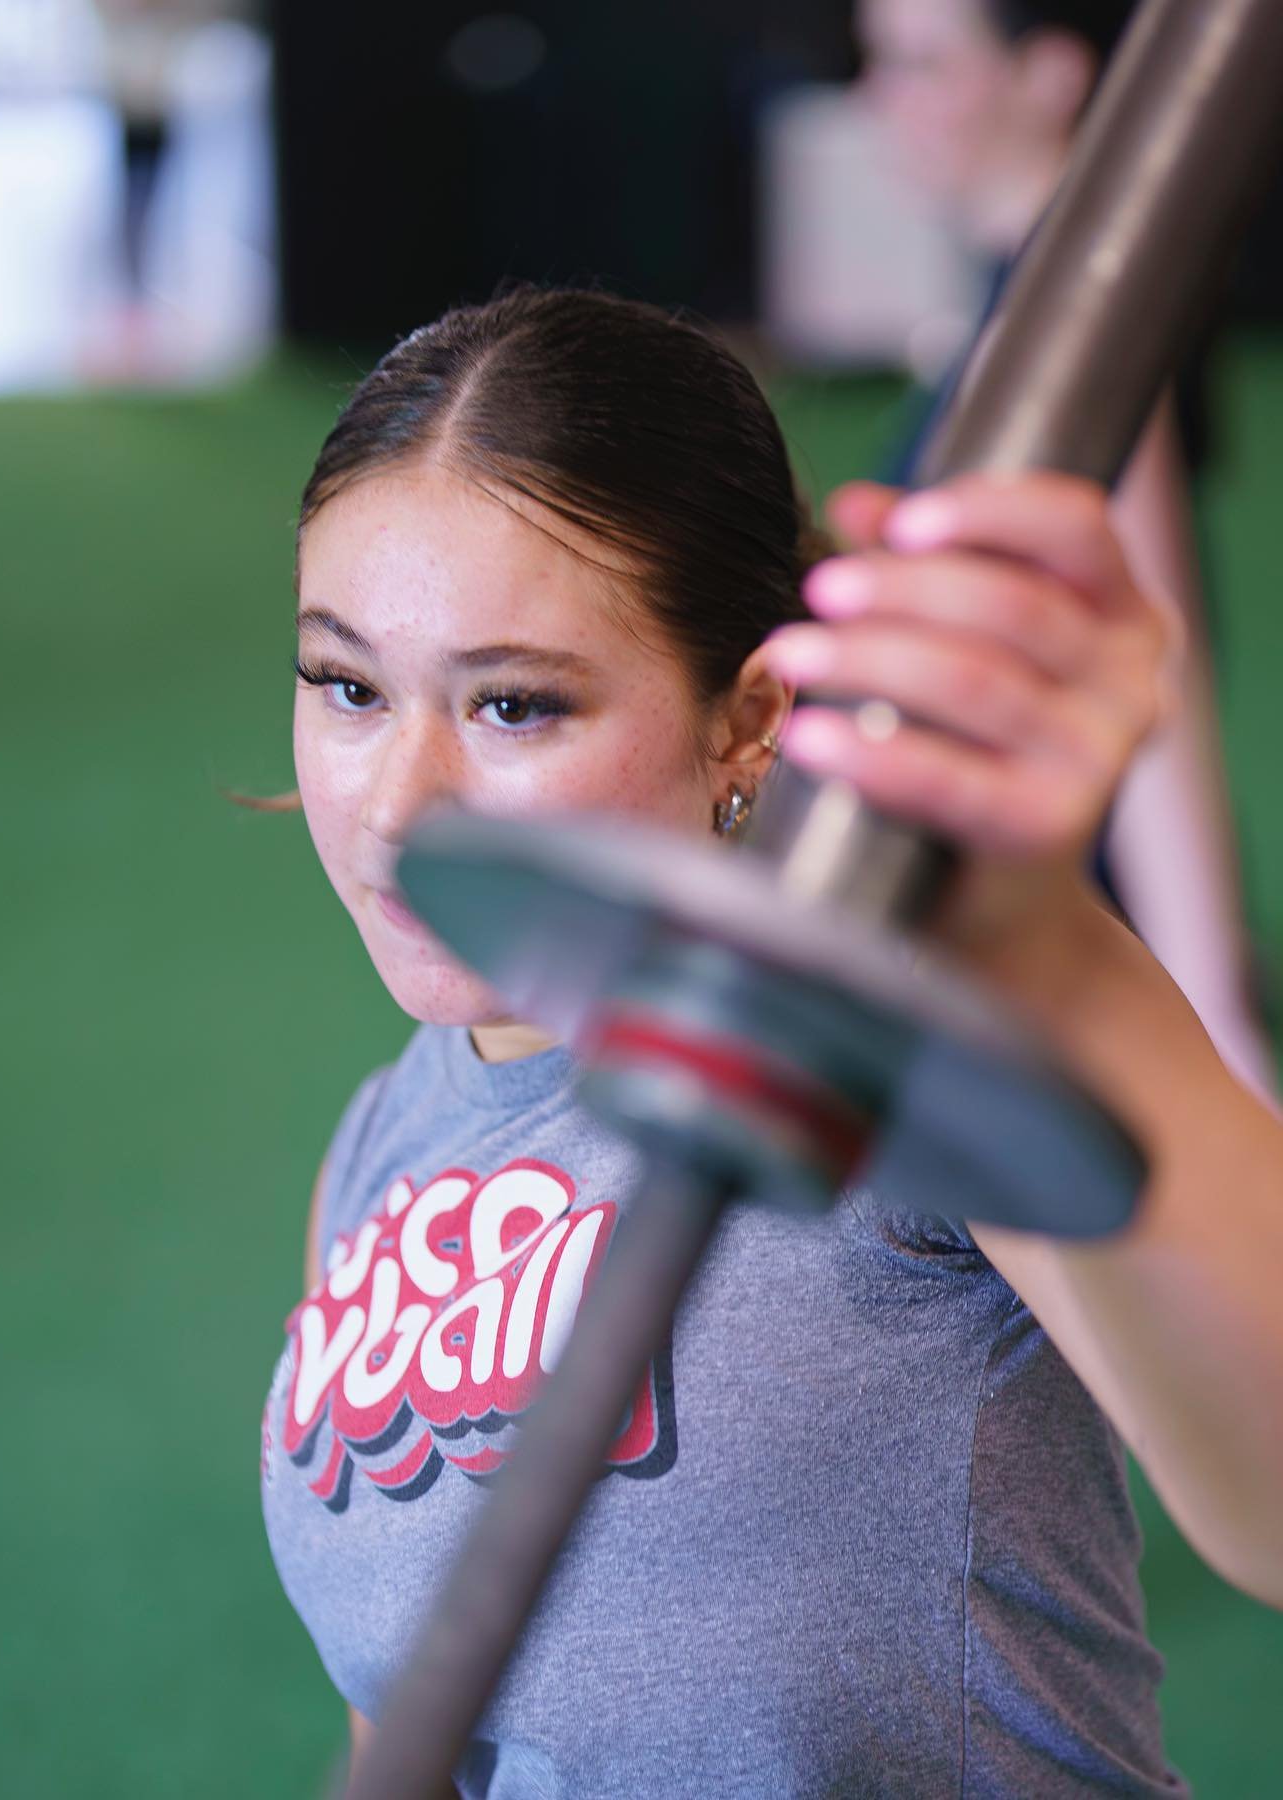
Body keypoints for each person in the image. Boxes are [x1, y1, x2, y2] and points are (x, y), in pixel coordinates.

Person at [259, 287, 1283, 1797]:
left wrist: (1043, 949)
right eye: (348, 686)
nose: (400, 805)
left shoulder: (900, 1047)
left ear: (750, 717)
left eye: (515, 706)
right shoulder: (382, 1150)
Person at [857, 0, 1278, 1101]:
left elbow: (1154, 662)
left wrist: (1212, 1012)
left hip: (1074, 959)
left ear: (1049, 75)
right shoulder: (1043, 312)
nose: (884, 102)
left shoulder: (1065, 342)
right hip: (1025, 950)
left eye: (922, 66)